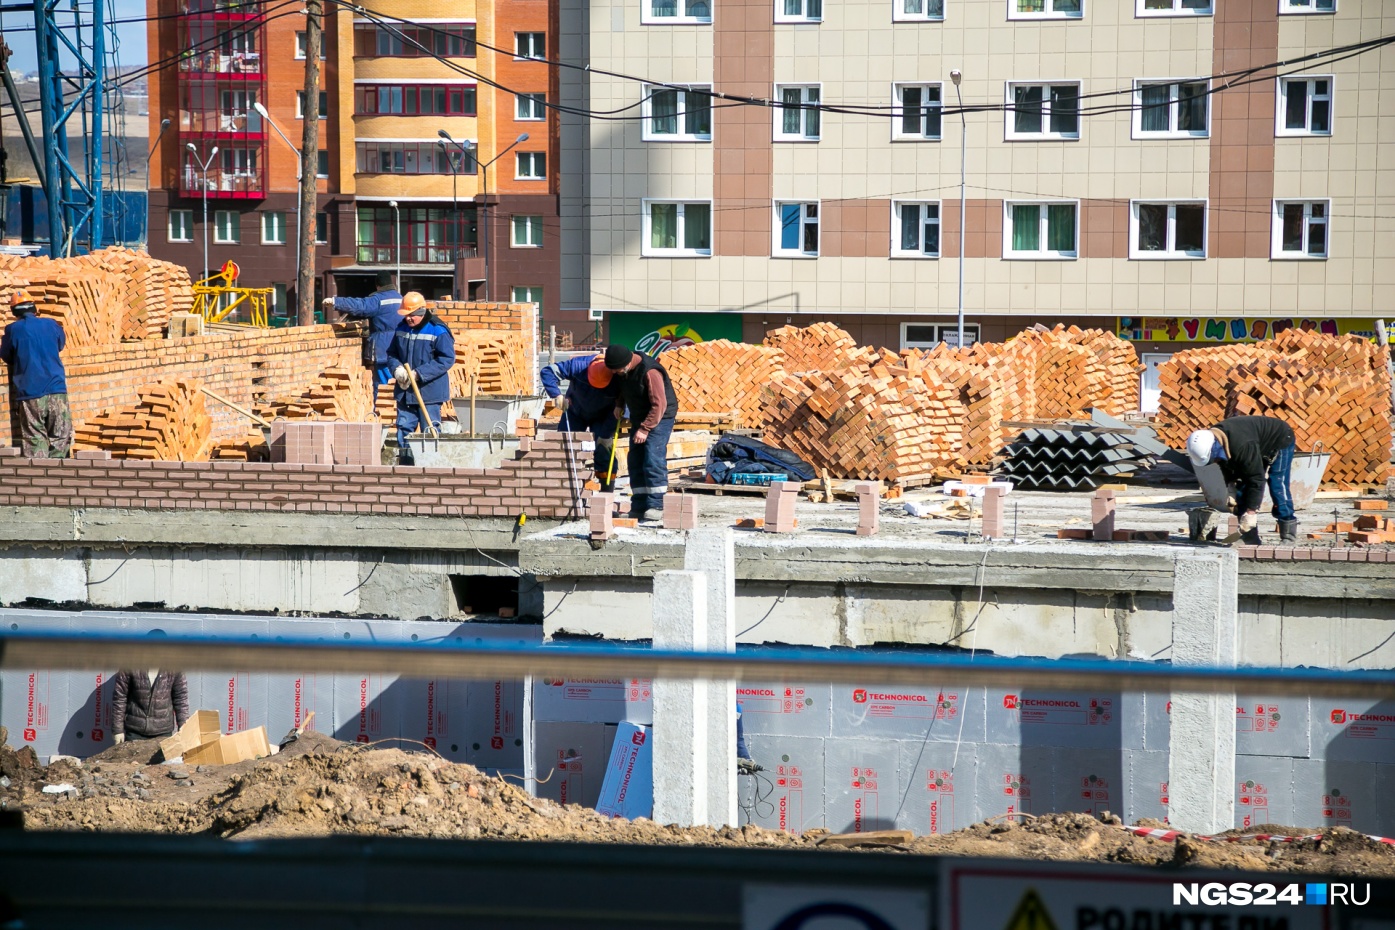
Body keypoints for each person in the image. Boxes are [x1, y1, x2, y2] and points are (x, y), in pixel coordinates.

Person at [1186, 415, 1297, 545]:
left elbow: (1256, 479)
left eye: (1213, 458)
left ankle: (1288, 534)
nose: (1214, 461)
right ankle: (1249, 536)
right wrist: (1230, 488)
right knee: (1242, 487)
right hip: (1255, 442)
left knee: (1277, 483)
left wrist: (1251, 512)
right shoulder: (1215, 440)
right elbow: (1225, 465)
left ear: (1215, 448)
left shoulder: (1241, 445)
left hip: (1280, 437)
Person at [605, 344, 677, 521]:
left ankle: (656, 505)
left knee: (652, 456)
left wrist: (645, 429)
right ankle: (639, 504)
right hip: (639, 415)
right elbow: (623, 388)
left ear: (627, 364)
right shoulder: (623, 371)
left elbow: (659, 405)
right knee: (635, 458)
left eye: (616, 370)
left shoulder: (650, 372)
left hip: (660, 416)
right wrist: (619, 405)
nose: (615, 373)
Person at [386, 292, 455, 466]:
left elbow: (446, 359)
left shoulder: (437, 330)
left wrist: (419, 374)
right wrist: (397, 369)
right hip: (405, 392)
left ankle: (430, 466)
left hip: (429, 393)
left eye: (412, 315)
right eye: (406, 315)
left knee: (429, 431)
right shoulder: (401, 328)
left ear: (422, 312)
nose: (408, 319)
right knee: (404, 429)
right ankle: (406, 467)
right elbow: (391, 353)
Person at [1, 290, 72, 458]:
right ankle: (60, 476)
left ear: (14, 311)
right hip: (57, 390)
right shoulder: (51, 324)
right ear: (34, 308)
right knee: (61, 438)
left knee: (35, 440)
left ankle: (39, 478)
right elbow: (60, 344)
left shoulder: (13, 330)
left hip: (30, 393)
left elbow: (6, 355)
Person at [540, 354, 622, 490]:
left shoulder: (617, 374)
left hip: (605, 415)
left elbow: (628, 394)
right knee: (565, 446)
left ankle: (606, 491)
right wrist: (557, 395)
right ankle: (564, 486)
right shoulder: (578, 366)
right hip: (575, 412)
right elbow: (547, 372)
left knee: (604, 449)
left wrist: (619, 408)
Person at [323, 271, 402, 385]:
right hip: (399, 347)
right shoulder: (401, 298)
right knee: (397, 382)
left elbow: (359, 305)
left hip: (383, 348)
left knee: (383, 386)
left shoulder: (378, 300)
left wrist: (335, 301)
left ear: (378, 285)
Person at [111, 668, 190, 743]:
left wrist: (184, 729)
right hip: (135, 732)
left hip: (163, 733)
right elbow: (119, 698)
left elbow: (181, 699)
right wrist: (117, 730)